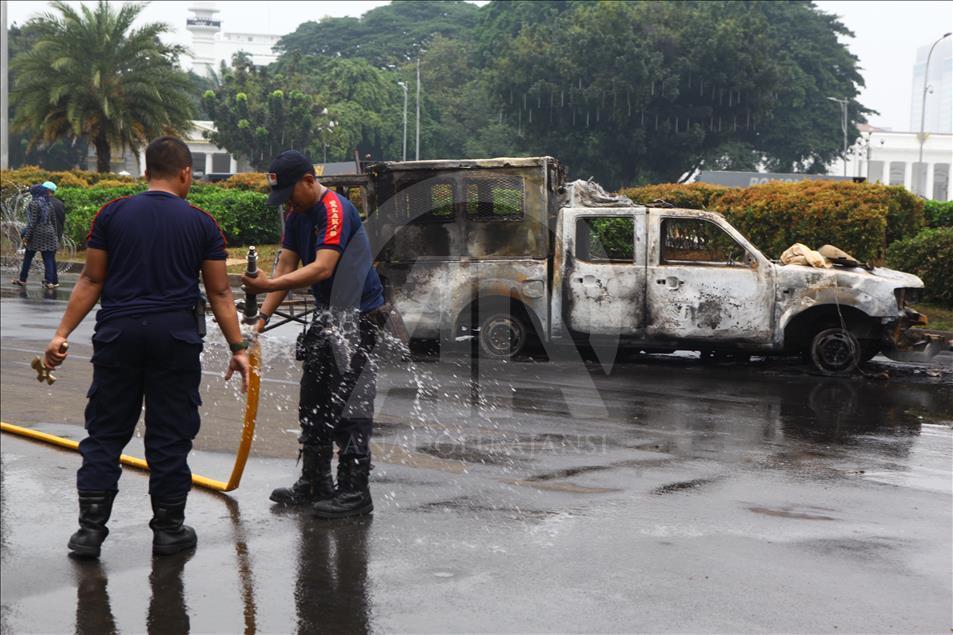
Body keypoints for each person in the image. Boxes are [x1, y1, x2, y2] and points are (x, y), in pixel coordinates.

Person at [44, 136, 250, 559]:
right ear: (186, 173)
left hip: (118, 335)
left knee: (104, 433)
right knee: (169, 435)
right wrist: (238, 347)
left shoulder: (112, 214)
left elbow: (91, 280)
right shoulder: (202, 223)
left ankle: (89, 533)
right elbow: (220, 294)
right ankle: (168, 530)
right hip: (174, 339)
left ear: (145, 173)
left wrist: (61, 333)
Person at [242, 149, 384, 519]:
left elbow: (322, 268)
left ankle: (355, 491)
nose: (288, 200)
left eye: (291, 192)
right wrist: (260, 319)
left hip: (357, 316)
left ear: (309, 179)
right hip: (328, 315)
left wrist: (268, 283)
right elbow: (286, 265)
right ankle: (316, 481)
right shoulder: (296, 214)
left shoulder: (334, 209)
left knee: (349, 404)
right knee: (314, 400)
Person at [13, 182, 59, 289]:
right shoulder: (49, 203)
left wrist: (26, 237)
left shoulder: (33, 204)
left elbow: (32, 223)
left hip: (37, 234)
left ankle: (22, 279)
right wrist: (55, 236)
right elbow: (53, 221)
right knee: (48, 258)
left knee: (28, 257)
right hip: (49, 232)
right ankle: (50, 282)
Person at [45, 180, 68, 247]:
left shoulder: (42, 202)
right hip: (56, 234)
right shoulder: (60, 203)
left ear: (48, 190)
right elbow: (62, 219)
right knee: (50, 256)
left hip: (42, 234)